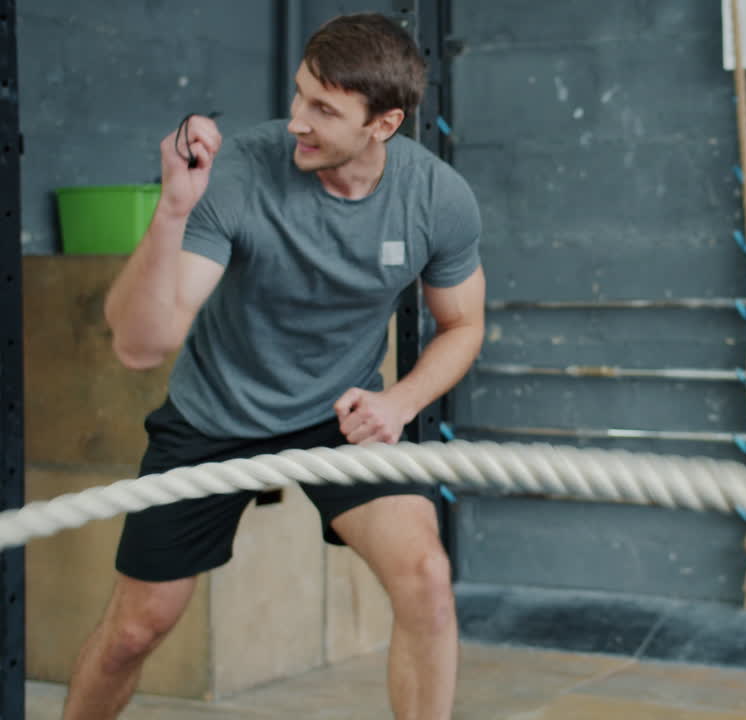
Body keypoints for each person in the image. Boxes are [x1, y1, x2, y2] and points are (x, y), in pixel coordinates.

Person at [67, 13, 484, 720]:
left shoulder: (437, 198)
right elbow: (141, 345)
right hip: (211, 419)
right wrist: (171, 212)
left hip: (339, 419)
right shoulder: (235, 175)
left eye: (323, 109)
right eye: (299, 96)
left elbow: (463, 325)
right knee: (135, 632)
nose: (296, 121)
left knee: (427, 582)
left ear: (383, 125)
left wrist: (401, 403)